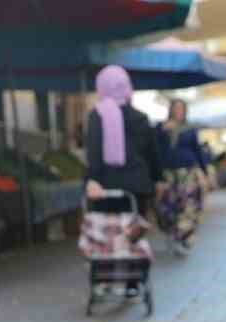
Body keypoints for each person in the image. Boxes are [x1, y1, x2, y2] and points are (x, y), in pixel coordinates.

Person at [83, 65, 161, 214]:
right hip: (137, 186)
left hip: (107, 185)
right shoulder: (141, 118)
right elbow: (152, 154)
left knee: (109, 233)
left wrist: (91, 179)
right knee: (133, 233)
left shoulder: (97, 115)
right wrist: (157, 179)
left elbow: (94, 152)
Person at [154, 98, 210, 253]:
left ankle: (184, 236)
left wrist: (204, 172)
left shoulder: (189, 129)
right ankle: (173, 233)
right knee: (169, 205)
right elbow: (154, 150)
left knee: (189, 204)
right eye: (176, 108)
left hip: (188, 171)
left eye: (181, 108)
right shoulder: (160, 127)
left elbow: (197, 150)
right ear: (171, 110)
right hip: (168, 173)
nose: (179, 111)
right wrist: (162, 132)